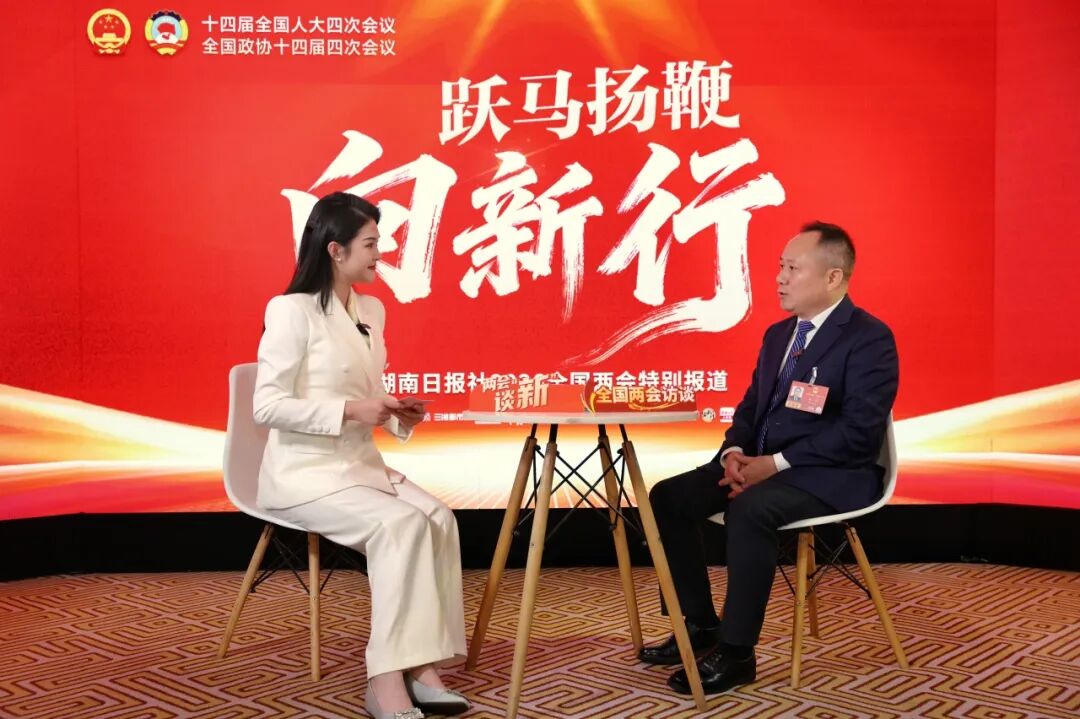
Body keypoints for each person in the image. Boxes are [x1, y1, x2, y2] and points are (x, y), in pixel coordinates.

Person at [639, 221, 899, 696]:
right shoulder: (779, 335)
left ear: (833, 277)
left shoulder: (869, 338)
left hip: (832, 475)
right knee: (669, 497)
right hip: (760, 465)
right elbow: (751, 407)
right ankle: (699, 625)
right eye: (780, 266)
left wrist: (775, 464)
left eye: (793, 268)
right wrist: (735, 452)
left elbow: (859, 433)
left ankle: (737, 652)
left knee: (751, 509)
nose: (779, 278)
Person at [253, 192, 469, 719]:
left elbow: (368, 392)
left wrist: (396, 413)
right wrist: (352, 410)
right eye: (370, 244)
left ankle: (422, 665)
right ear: (336, 250)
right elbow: (267, 406)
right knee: (401, 525)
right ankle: (384, 678)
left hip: (358, 465)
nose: (379, 253)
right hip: (304, 472)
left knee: (439, 519)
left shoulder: (372, 309)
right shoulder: (290, 311)